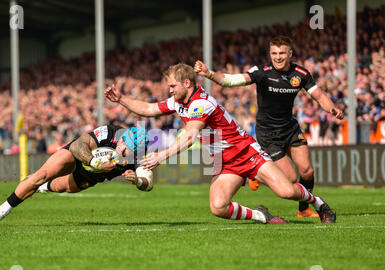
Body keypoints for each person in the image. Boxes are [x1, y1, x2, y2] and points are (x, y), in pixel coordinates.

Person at [105, 63, 337, 224]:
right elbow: (149, 109)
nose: (170, 90)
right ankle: (261, 216)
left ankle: (317, 202)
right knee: (218, 207)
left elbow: (189, 136)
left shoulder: (201, 104)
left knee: (286, 191)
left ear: (187, 82)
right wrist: (121, 100)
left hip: (246, 152)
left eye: (172, 86)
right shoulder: (179, 102)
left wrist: (160, 156)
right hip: (225, 162)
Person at [194, 35, 344, 218]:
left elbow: (319, 95)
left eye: (282, 53)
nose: (278, 57)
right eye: (274, 53)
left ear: (290, 53)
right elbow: (231, 81)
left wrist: (332, 108)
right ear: (270, 54)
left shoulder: (301, 74)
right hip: (268, 133)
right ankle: (254, 174)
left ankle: (303, 209)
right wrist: (209, 74)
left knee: (307, 170)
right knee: (288, 179)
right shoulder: (262, 72)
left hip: (290, 127)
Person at [0, 126, 152, 226]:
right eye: (125, 152)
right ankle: (3, 209)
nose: (125, 159)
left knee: (61, 187)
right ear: (122, 141)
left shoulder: (137, 155)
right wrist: (95, 162)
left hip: (94, 175)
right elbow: (78, 145)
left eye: (130, 155)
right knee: (42, 174)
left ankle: (42, 186)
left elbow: (148, 183)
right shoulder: (110, 132)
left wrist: (138, 181)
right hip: (80, 155)